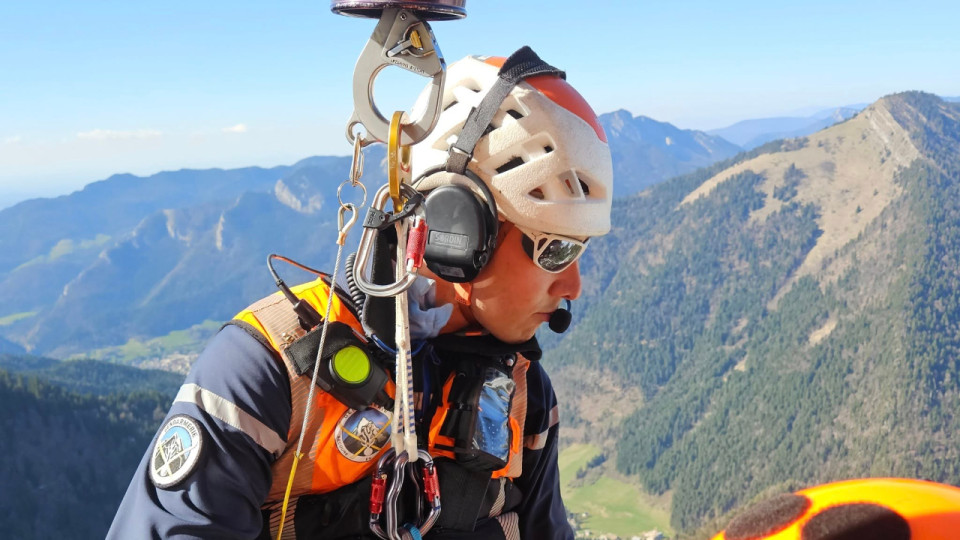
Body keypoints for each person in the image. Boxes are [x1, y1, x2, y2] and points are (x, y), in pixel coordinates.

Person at [108, 46, 613, 539]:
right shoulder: (267, 371)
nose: (573, 286)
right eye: (555, 251)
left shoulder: (523, 395)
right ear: (458, 230)